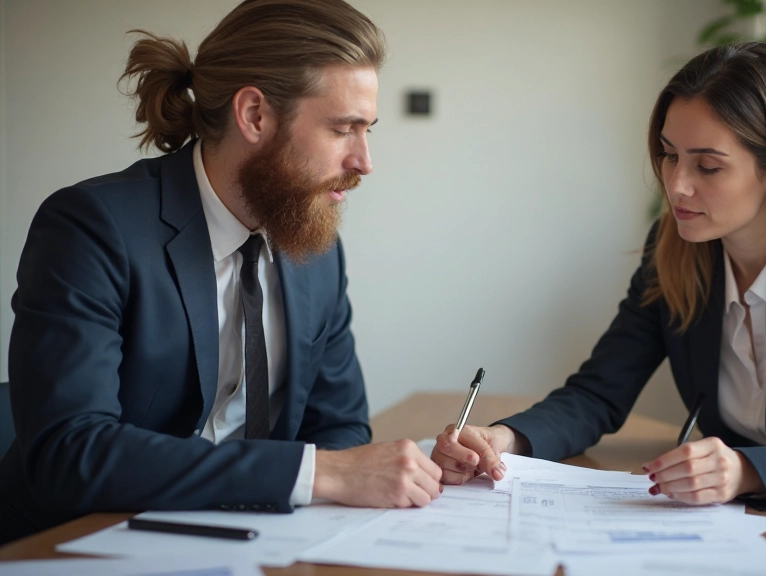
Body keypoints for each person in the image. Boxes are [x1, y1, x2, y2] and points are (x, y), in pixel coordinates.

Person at [431, 42, 766, 521]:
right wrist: (503, 441)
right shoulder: (674, 248)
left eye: (708, 167)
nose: (676, 186)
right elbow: (597, 394)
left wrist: (746, 470)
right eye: (669, 156)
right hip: (756, 524)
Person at [0, 0, 443, 545]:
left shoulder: (317, 249)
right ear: (254, 114)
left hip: (258, 544)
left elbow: (339, 426)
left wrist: (346, 476)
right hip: (75, 545)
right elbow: (69, 453)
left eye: (367, 130)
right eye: (342, 129)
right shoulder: (92, 227)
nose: (364, 161)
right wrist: (315, 474)